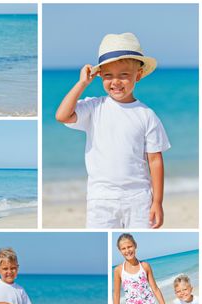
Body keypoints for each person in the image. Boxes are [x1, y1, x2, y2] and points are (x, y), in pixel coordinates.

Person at [56, 33, 171, 229]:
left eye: (124, 75)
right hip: (101, 198)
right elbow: (62, 116)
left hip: (138, 197)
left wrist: (157, 202)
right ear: (99, 75)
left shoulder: (146, 115)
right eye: (108, 75)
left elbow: (155, 160)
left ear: (138, 75)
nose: (115, 82)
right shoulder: (94, 107)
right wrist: (82, 83)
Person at [113, 233, 174, 304]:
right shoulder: (118, 270)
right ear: (120, 250)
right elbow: (116, 295)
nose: (127, 250)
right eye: (124, 248)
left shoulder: (145, 266)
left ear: (135, 245)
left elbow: (155, 289)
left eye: (130, 246)